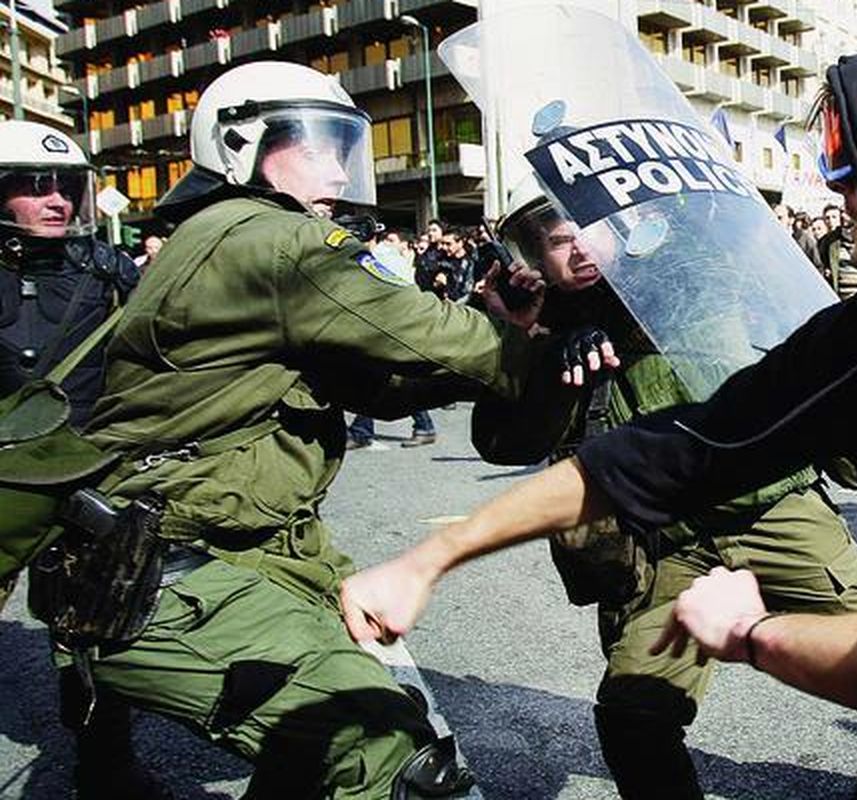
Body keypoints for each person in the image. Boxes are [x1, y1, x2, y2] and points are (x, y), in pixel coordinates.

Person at [342, 25, 857, 798]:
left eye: (851, 158)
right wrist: (429, 558)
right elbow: (678, 448)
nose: (838, 186)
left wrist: (753, 632)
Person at [57, 60, 612, 799]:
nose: (337, 166)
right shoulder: (274, 242)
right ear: (239, 148)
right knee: (379, 746)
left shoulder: (222, 237)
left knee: (339, 730)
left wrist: (501, 333)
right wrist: (549, 339)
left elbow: (379, 391)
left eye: (340, 144)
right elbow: (433, 334)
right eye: (312, 145)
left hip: (228, 544)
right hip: (175, 561)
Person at [470, 185, 857, 798]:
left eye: (592, 230)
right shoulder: (546, 333)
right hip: (667, 547)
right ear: (536, 261)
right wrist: (536, 346)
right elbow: (506, 443)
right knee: (632, 715)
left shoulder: (696, 280)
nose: (581, 250)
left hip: (774, 512)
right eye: (560, 243)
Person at [0, 120, 166, 800]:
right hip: (5, 483)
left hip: (89, 476)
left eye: (65, 185)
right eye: (34, 185)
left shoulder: (109, 270)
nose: (55, 200)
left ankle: (105, 765)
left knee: (94, 622)